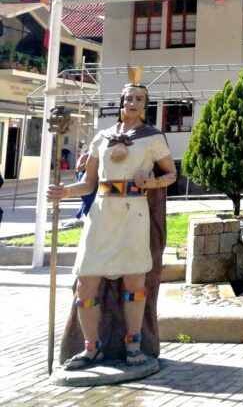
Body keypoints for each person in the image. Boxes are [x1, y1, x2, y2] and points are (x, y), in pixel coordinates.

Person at [47, 80, 176, 369]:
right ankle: (91, 348)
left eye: (140, 99)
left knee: (134, 282)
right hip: (102, 213)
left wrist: (153, 182)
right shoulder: (102, 138)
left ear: (146, 105)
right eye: (129, 97)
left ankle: (133, 346)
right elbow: (88, 183)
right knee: (86, 283)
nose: (134, 102)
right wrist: (65, 192)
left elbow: (171, 174)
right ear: (121, 101)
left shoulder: (153, 137)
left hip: (134, 213)